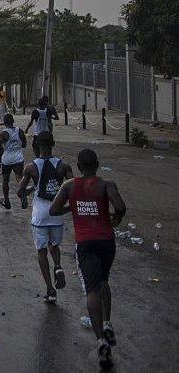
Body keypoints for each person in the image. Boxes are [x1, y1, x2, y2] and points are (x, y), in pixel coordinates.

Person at [49, 149, 126, 369]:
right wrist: (117, 218)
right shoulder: (106, 184)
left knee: (92, 289)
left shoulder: (69, 186)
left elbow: (54, 210)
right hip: (106, 241)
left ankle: (101, 340)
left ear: (79, 166)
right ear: (98, 164)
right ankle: (108, 323)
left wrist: (71, 208)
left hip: (85, 242)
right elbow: (120, 206)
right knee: (103, 281)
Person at [15, 131, 73, 303]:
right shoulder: (64, 166)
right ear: (53, 144)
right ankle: (58, 266)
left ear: (37, 146)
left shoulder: (31, 167)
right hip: (57, 213)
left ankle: (50, 289)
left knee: (41, 252)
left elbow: (19, 192)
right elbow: (73, 188)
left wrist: (32, 190)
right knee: (54, 246)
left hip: (40, 214)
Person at [0, 114, 27, 209]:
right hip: (18, 158)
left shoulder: (4, 133)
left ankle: (6, 201)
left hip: (7, 159)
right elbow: (24, 144)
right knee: (19, 178)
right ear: (13, 121)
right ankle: (23, 196)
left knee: (5, 180)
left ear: (4, 123)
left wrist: (1, 145)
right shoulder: (20, 131)